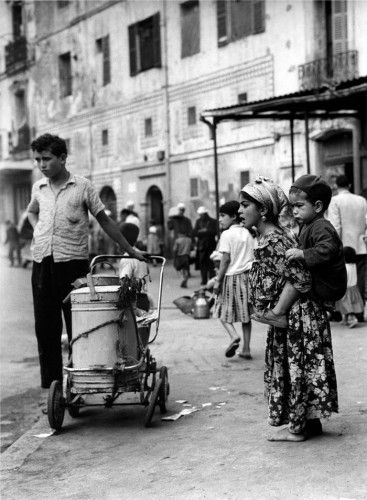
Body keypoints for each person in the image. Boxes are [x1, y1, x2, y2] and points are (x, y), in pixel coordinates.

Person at [27, 133, 145, 390]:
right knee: (45, 330)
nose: (42, 165)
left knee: (79, 328)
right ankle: (54, 389)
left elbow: (105, 220)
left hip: (73, 267)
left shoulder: (82, 187)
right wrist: (37, 229)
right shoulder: (39, 187)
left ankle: (81, 382)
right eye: (37, 160)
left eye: (46, 159)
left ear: (62, 157)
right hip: (41, 265)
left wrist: (130, 249)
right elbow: (31, 211)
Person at [239, 176, 338, 441]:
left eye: (244, 205)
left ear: (262, 210)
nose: (239, 211)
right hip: (296, 317)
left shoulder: (273, 242)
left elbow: (301, 278)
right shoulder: (273, 238)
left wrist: (279, 311)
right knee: (300, 369)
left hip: (297, 317)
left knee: (295, 369)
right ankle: (307, 423)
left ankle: (296, 430)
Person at [252, 174, 346, 329]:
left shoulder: (322, 226)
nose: (294, 211)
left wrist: (302, 254)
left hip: (328, 285)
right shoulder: (308, 224)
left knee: (293, 277)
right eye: (292, 206)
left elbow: (327, 249)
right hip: (321, 282)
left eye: (299, 206)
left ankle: (278, 312)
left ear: (317, 206)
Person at [212, 201, 255, 360]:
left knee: (221, 310)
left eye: (223, 216)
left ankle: (234, 336)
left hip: (230, 278)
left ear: (234, 216)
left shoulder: (226, 234)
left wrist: (217, 282)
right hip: (247, 277)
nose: (220, 219)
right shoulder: (248, 233)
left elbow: (225, 260)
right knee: (246, 316)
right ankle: (246, 349)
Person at [327, 174, 367, 321]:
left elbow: (335, 225)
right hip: (361, 245)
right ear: (349, 185)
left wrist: (333, 246)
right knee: (359, 280)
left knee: (341, 280)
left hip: (343, 246)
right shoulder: (362, 200)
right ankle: (359, 312)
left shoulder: (335, 201)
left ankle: (340, 312)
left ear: (337, 186)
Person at [336, 246, 364, 329]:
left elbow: (343, 279)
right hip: (354, 288)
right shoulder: (354, 265)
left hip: (346, 289)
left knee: (347, 305)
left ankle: (353, 319)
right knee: (351, 304)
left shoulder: (345, 268)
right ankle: (345, 319)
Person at [193, 206, 217, 285]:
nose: (201, 216)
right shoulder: (198, 221)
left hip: (211, 246)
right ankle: (204, 280)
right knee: (202, 264)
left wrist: (204, 231)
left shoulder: (213, 221)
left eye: (202, 214)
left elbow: (214, 232)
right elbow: (195, 233)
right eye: (200, 215)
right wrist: (205, 232)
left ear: (205, 214)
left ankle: (211, 280)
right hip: (201, 247)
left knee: (211, 264)